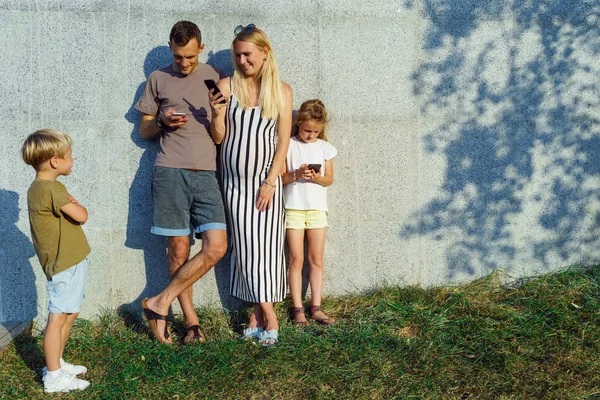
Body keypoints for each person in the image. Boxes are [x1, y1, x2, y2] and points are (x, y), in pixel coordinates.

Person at [136, 20, 227, 344]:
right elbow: (144, 131)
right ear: (171, 50)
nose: (184, 64)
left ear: (200, 48)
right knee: (178, 248)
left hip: (206, 173)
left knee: (216, 246)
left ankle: (158, 302)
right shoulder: (157, 79)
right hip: (169, 171)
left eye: (189, 57)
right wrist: (161, 120)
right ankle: (191, 322)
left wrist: (217, 115)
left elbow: (219, 137)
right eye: (178, 58)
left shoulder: (214, 78)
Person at [208, 24, 293, 346]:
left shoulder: (282, 91)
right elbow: (219, 138)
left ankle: (262, 315)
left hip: (266, 183)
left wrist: (271, 182)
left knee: (268, 248)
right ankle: (264, 313)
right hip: (233, 183)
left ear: (264, 53)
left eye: (248, 54)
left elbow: (283, 141)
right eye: (238, 55)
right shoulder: (227, 86)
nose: (243, 60)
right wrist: (217, 113)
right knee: (245, 248)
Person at [22, 129, 91, 392]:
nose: (72, 160)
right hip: (65, 265)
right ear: (55, 161)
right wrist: (77, 205)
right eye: (69, 156)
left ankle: (57, 363)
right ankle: (53, 377)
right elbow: (82, 216)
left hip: (67, 262)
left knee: (69, 312)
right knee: (58, 317)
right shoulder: (53, 188)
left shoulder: (38, 188)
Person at [281, 100, 337, 326]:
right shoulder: (288, 145)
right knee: (296, 259)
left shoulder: (325, 147)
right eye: (306, 130)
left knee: (316, 259)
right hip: (293, 208)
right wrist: (297, 174)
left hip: (316, 210)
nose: (310, 135)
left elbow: (329, 179)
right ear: (298, 123)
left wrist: (315, 177)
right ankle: (297, 309)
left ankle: (316, 306)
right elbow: (282, 177)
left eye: (315, 131)